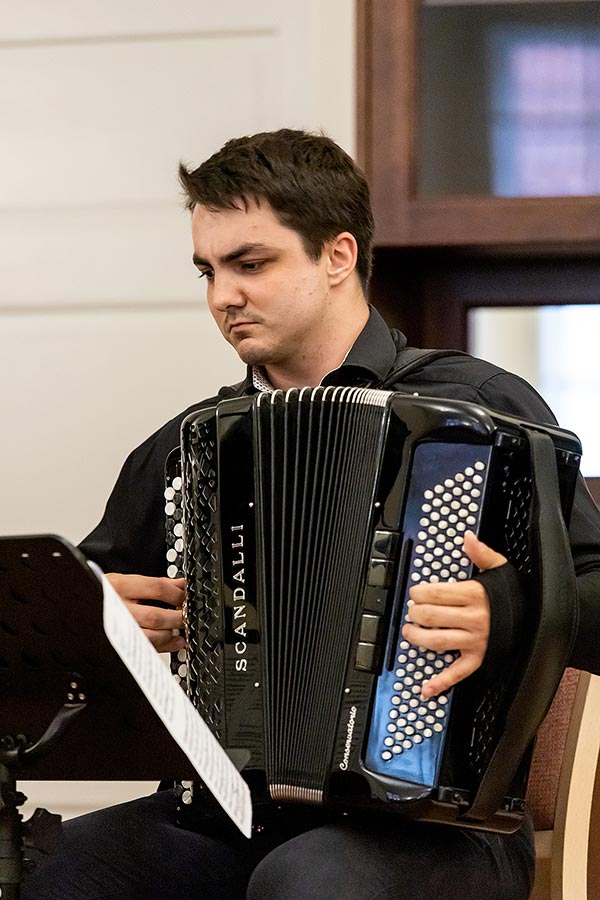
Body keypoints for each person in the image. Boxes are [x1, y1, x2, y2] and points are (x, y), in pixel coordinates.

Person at [22, 129, 600, 900]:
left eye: (250, 264)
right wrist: (101, 627)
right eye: (209, 270)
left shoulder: (476, 409)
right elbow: (59, 625)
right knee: (49, 870)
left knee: (313, 880)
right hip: (227, 815)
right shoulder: (186, 448)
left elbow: (592, 587)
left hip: (435, 823)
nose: (223, 295)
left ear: (337, 256)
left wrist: (512, 610)